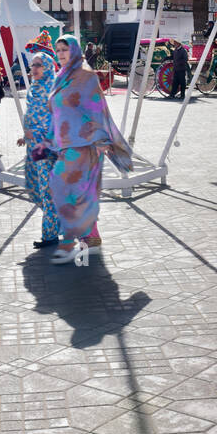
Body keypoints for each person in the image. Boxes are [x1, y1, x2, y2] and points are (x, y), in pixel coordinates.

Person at [32, 34, 132, 265]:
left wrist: (99, 142)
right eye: (58, 51)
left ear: (75, 50)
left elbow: (96, 109)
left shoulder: (86, 76)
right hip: (64, 147)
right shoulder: (60, 77)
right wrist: (46, 141)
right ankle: (89, 239)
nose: (61, 54)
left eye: (65, 50)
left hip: (85, 146)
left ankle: (86, 241)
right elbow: (55, 112)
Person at [17, 49, 61, 248]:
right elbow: (34, 116)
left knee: (47, 190)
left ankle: (50, 235)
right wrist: (25, 135)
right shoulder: (35, 88)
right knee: (39, 188)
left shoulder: (53, 90)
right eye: (32, 65)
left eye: (38, 65)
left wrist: (38, 133)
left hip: (48, 146)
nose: (33, 69)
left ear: (48, 67)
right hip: (36, 146)